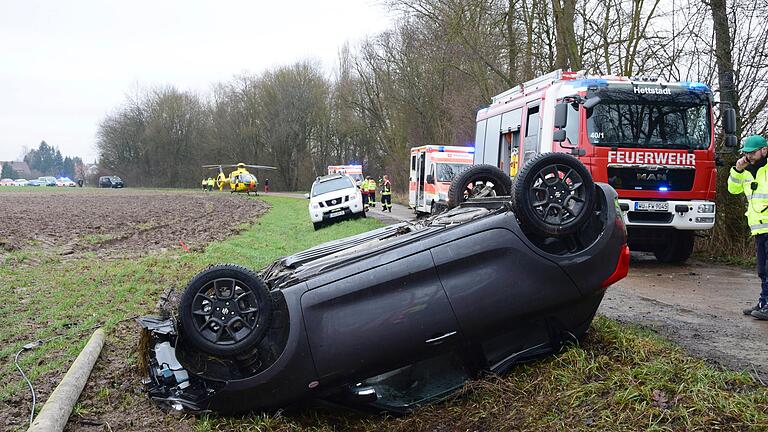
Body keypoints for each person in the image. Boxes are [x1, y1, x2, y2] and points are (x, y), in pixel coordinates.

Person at [728, 135, 768, 320]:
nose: (749, 156)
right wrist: (737, 170)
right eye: (746, 153)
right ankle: (763, 302)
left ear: (764, 150)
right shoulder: (745, 172)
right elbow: (733, 190)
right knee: (762, 270)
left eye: (752, 152)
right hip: (759, 229)